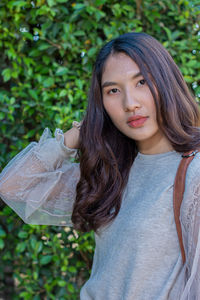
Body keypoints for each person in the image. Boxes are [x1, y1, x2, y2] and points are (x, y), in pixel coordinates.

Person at [0, 32, 200, 300]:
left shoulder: (194, 172)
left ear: (165, 82)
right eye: (113, 91)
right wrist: (77, 135)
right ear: (102, 103)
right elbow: (13, 186)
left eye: (141, 82)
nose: (130, 104)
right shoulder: (112, 170)